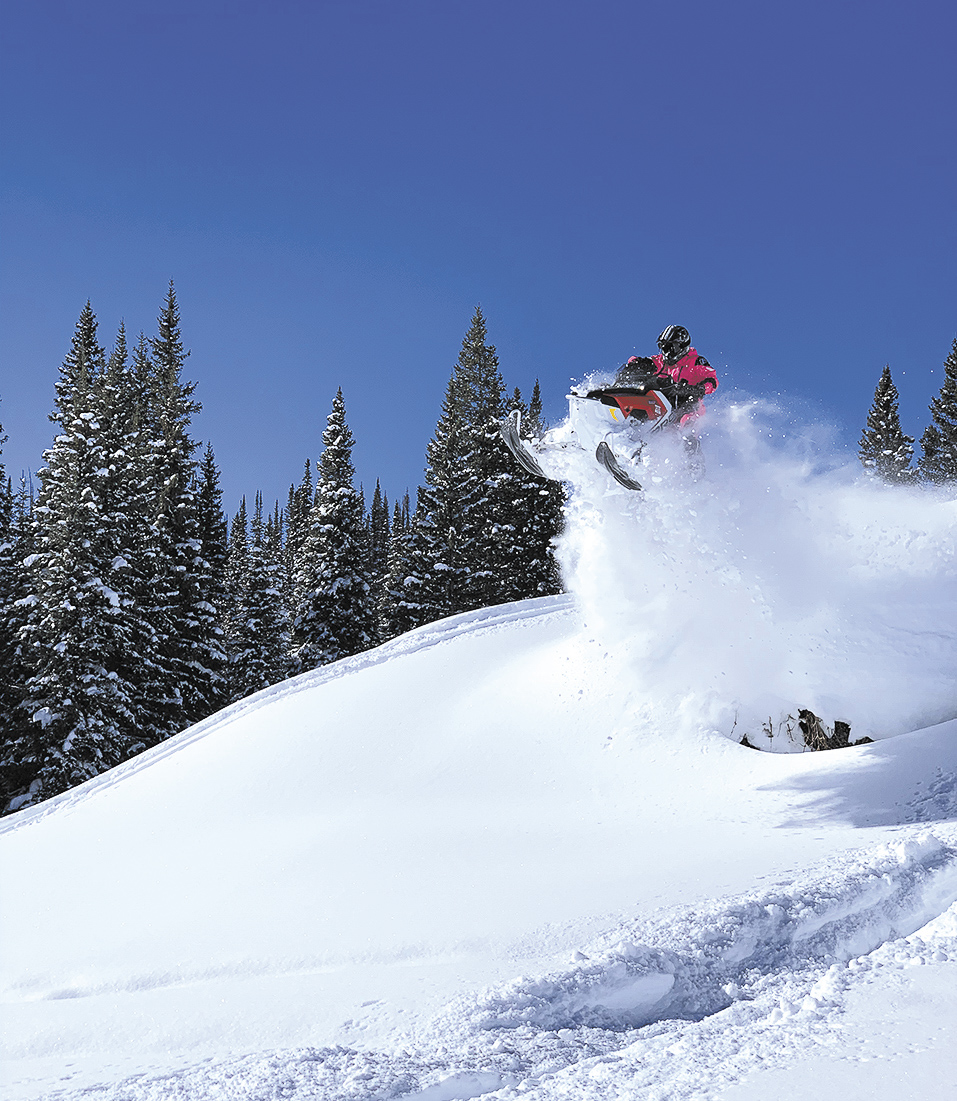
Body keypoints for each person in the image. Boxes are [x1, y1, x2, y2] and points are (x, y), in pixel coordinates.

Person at [615, 324, 718, 425]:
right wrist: (636, 364)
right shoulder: (660, 360)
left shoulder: (695, 361)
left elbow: (712, 380)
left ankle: (684, 433)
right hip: (662, 404)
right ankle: (627, 416)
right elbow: (645, 361)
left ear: (683, 346)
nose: (667, 352)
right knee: (647, 386)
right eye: (664, 347)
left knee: (688, 406)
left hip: (687, 406)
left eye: (672, 348)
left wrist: (700, 389)